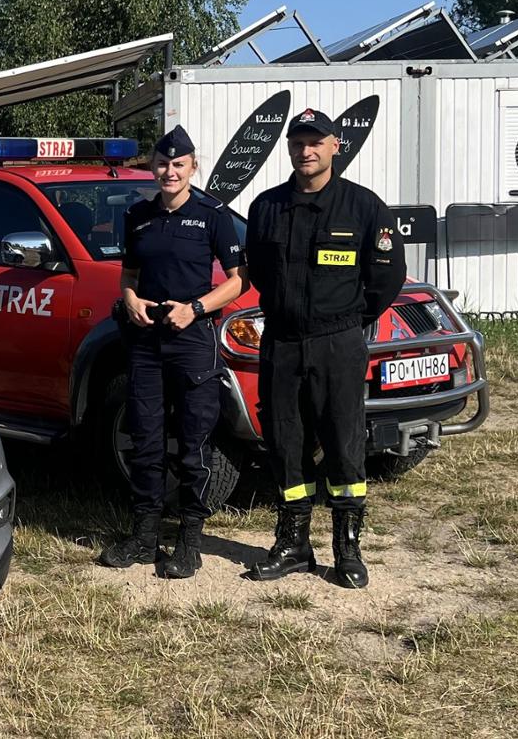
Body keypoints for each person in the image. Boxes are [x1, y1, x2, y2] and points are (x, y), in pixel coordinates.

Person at [242, 109, 405, 589]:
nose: (305, 151)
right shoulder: (267, 207)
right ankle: (293, 545)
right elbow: (261, 272)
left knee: (343, 443)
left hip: (338, 341)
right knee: (285, 444)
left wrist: (349, 320)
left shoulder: (363, 207)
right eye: (297, 143)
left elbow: (386, 277)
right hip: (283, 342)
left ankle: (347, 548)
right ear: (288, 148)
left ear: (336, 145)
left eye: (315, 142)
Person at [97, 125, 248, 579]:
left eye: (178, 165)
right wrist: (129, 298)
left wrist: (196, 309)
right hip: (146, 339)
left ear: (192, 167)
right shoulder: (138, 215)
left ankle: (189, 540)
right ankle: (144, 536)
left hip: (192, 338)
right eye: (162, 164)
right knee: (144, 438)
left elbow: (238, 281)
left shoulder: (212, 215)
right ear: (152, 167)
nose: (169, 171)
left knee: (192, 442)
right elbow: (129, 274)